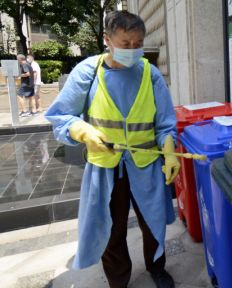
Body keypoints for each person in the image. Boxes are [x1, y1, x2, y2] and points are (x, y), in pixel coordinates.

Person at [45, 11, 180, 288]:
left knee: (152, 221)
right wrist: (82, 131)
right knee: (111, 227)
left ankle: (157, 267)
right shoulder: (88, 72)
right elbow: (60, 117)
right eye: (125, 43)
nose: (133, 49)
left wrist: (169, 150)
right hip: (106, 166)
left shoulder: (149, 74)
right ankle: (118, 279)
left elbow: (165, 123)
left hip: (146, 163)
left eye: (138, 43)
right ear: (107, 40)